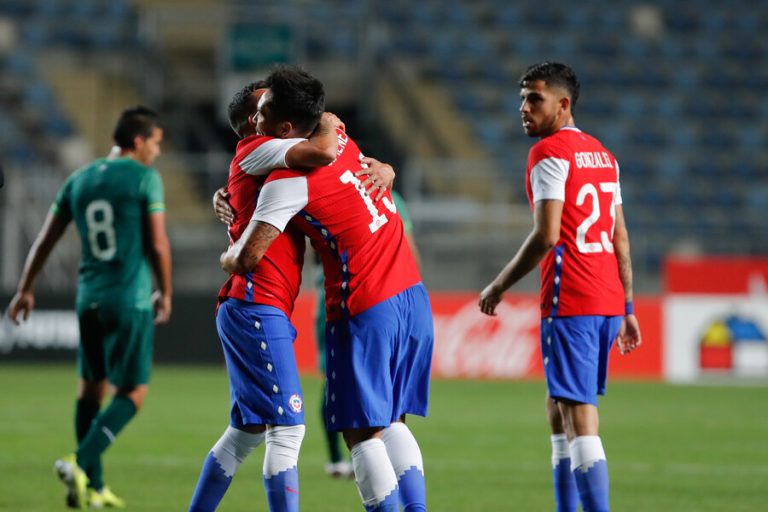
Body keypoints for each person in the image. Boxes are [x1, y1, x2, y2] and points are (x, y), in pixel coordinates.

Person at [220, 65, 433, 512]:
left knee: (359, 430)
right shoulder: (343, 140)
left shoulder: (288, 181)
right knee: (392, 420)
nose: (253, 125)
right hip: (412, 294)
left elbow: (251, 253)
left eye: (261, 115)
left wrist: (233, 237)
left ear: (281, 127)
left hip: (366, 301)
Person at [189, 81, 395, 512]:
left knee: (246, 431)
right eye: (265, 102)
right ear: (256, 121)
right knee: (288, 431)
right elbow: (322, 150)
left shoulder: (263, 159)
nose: (273, 102)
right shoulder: (255, 150)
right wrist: (331, 120)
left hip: (251, 305)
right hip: (255, 304)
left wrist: (386, 168)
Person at [478, 62, 642, 512]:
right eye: (522, 98)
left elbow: (547, 235)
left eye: (535, 98)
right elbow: (620, 236)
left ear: (563, 104)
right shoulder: (604, 156)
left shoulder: (548, 154)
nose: (524, 108)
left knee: (579, 418)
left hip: (572, 299)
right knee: (559, 405)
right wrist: (627, 305)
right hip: (606, 299)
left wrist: (498, 284)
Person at [6, 106, 172, 509]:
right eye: (156, 143)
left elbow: (44, 240)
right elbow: (157, 242)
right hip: (128, 299)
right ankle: (79, 460)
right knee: (132, 392)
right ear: (138, 141)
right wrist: (165, 292)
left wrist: (25, 289)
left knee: (91, 389)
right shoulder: (144, 178)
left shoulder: (78, 180)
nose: (158, 152)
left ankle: (94, 488)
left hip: (88, 297)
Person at [313, 189, 420, 479]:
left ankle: (339, 459)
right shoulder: (392, 197)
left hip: (348, 298)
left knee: (336, 379)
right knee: (391, 396)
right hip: (396, 297)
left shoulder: (326, 192)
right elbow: (408, 250)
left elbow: (314, 252)